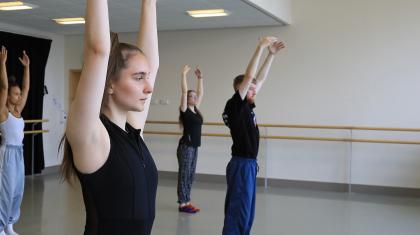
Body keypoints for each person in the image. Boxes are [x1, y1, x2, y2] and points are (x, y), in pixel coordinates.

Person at [59, 0, 159, 234]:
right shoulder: (92, 137)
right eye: (138, 77)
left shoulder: (133, 132)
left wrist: (149, 3)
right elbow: (98, 50)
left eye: (148, 77)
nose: (149, 87)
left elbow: (152, 64)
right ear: (110, 83)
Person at [222, 37, 285, 235]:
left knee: (246, 211)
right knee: (238, 210)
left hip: (248, 164)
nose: (254, 89)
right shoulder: (235, 106)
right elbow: (250, 76)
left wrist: (271, 55)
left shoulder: (248, 107)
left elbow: (259, 79)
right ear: (239, 89)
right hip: (241, 164)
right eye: (249, 88)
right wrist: (259, 47)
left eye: (254, 88)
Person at [0, 46, 30, 235]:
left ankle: (10, 223)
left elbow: (27, 87)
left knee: (18, 190)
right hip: (7, 153)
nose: (19, 97)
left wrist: (27, 67)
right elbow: (3, 86)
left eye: (19, 94)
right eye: (16, 94)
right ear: (8, 96)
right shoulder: (3, 111)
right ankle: (0, 226)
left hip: (19, 152)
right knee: (6, 191)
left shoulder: (18, 111)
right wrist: (2, 64)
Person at [177, 65, 204, 213]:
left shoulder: (196, 111)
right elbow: (183, 91)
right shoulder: (184, 110)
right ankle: (182, 204)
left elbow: (201, 93)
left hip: (194, 147)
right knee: (184, 174)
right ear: (187, 99)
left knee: (190, 175)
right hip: (186, 146)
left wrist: (200, 78)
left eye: (194, 96)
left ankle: (187, 201)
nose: (194, 97)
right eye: (190, 96)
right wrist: (183, 75)